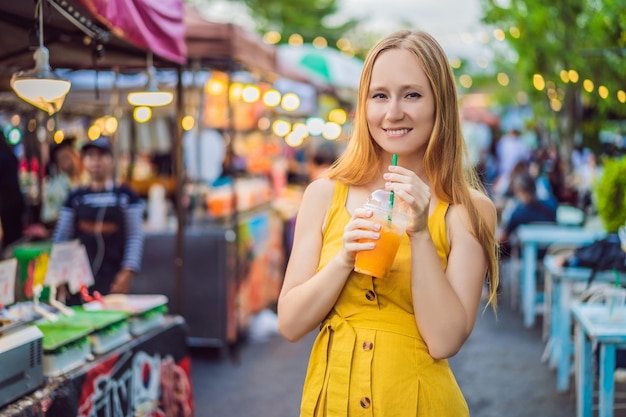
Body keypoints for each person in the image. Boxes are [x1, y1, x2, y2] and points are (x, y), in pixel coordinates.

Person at [277, 30, 499, 416]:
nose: (393, 112)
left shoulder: (469, 210)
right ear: (364, 106)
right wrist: (344, 259)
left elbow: (445, 340)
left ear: (439, 103)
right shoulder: (325, 195)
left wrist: (419, 234)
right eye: (379, 95)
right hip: (332, 402)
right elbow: (291, 323)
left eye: (412, 94)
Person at [52, 137, 145, 302]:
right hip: (78, 280)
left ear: (112, 160)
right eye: (90, 156)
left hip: (114, 277)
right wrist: (59, 274)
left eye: (101, 155)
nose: (96, 161)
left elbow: (135, 236)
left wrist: (127, 272)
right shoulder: (75, 198)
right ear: (84, 161)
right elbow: (62, 237)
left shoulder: (126, 196)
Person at [41, 137, 84, 228]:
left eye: (70, 156)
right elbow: (48, 217)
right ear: (58, 163)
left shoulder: (88, 179)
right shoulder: (56, 186)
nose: (69, 161)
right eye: (63, 159)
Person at [0, 130, 25, 251]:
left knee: (11, 233)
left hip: (7, 200)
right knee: (15, 231)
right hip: (16, 197)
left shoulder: (2, 155)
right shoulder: (9, 153)